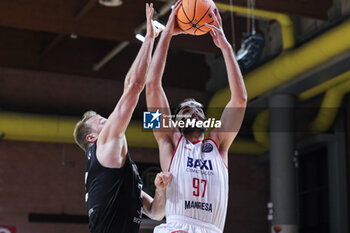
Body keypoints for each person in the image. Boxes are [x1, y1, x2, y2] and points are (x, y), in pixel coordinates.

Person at [145, 1, 247, 232]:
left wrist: (226, 48)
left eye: (198, 109)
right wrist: (167, 35)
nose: (193, 110)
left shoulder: (219, 144)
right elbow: (151, 85)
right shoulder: (169, 141)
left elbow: (240, 100)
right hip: (178, 227)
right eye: (186, 109)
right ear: (177, 122)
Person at [73, 4, 172, 233]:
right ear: (92, 136)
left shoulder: (117, 173)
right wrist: (149, 38)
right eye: (100, 121)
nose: (107, 120)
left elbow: (156, 213)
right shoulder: (104, 145)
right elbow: (134, 86)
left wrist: (160, 189)